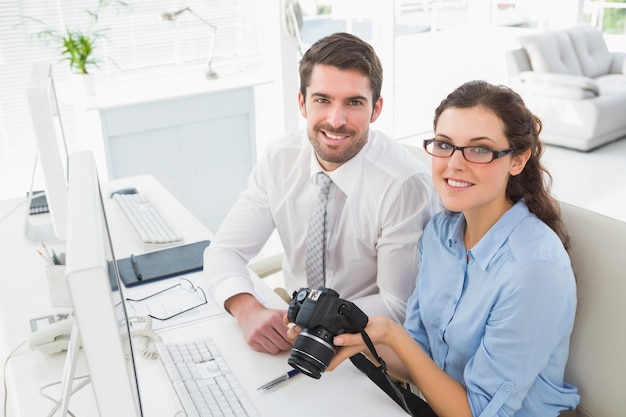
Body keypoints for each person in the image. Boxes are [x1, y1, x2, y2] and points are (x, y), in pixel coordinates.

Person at [293, 80, 580, 416]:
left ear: (517, 161)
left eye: (480, 149)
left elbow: (476, 412)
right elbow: (420, 359)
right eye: (445, 145)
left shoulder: (533, 271)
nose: (454, 164)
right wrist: (355, 337)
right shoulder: (440, 232)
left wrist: (391, 334)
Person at [204, 32, 437, 354]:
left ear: (376, 109)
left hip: (366, 343)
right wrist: (248, 309)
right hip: (292, 331)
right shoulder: (279, 159)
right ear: (302, 103)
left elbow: (397, 305)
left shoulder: (405, 185)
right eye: (322, 100)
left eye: (354, 103)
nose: (336, 120)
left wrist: (311, 325)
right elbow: (224, 250)